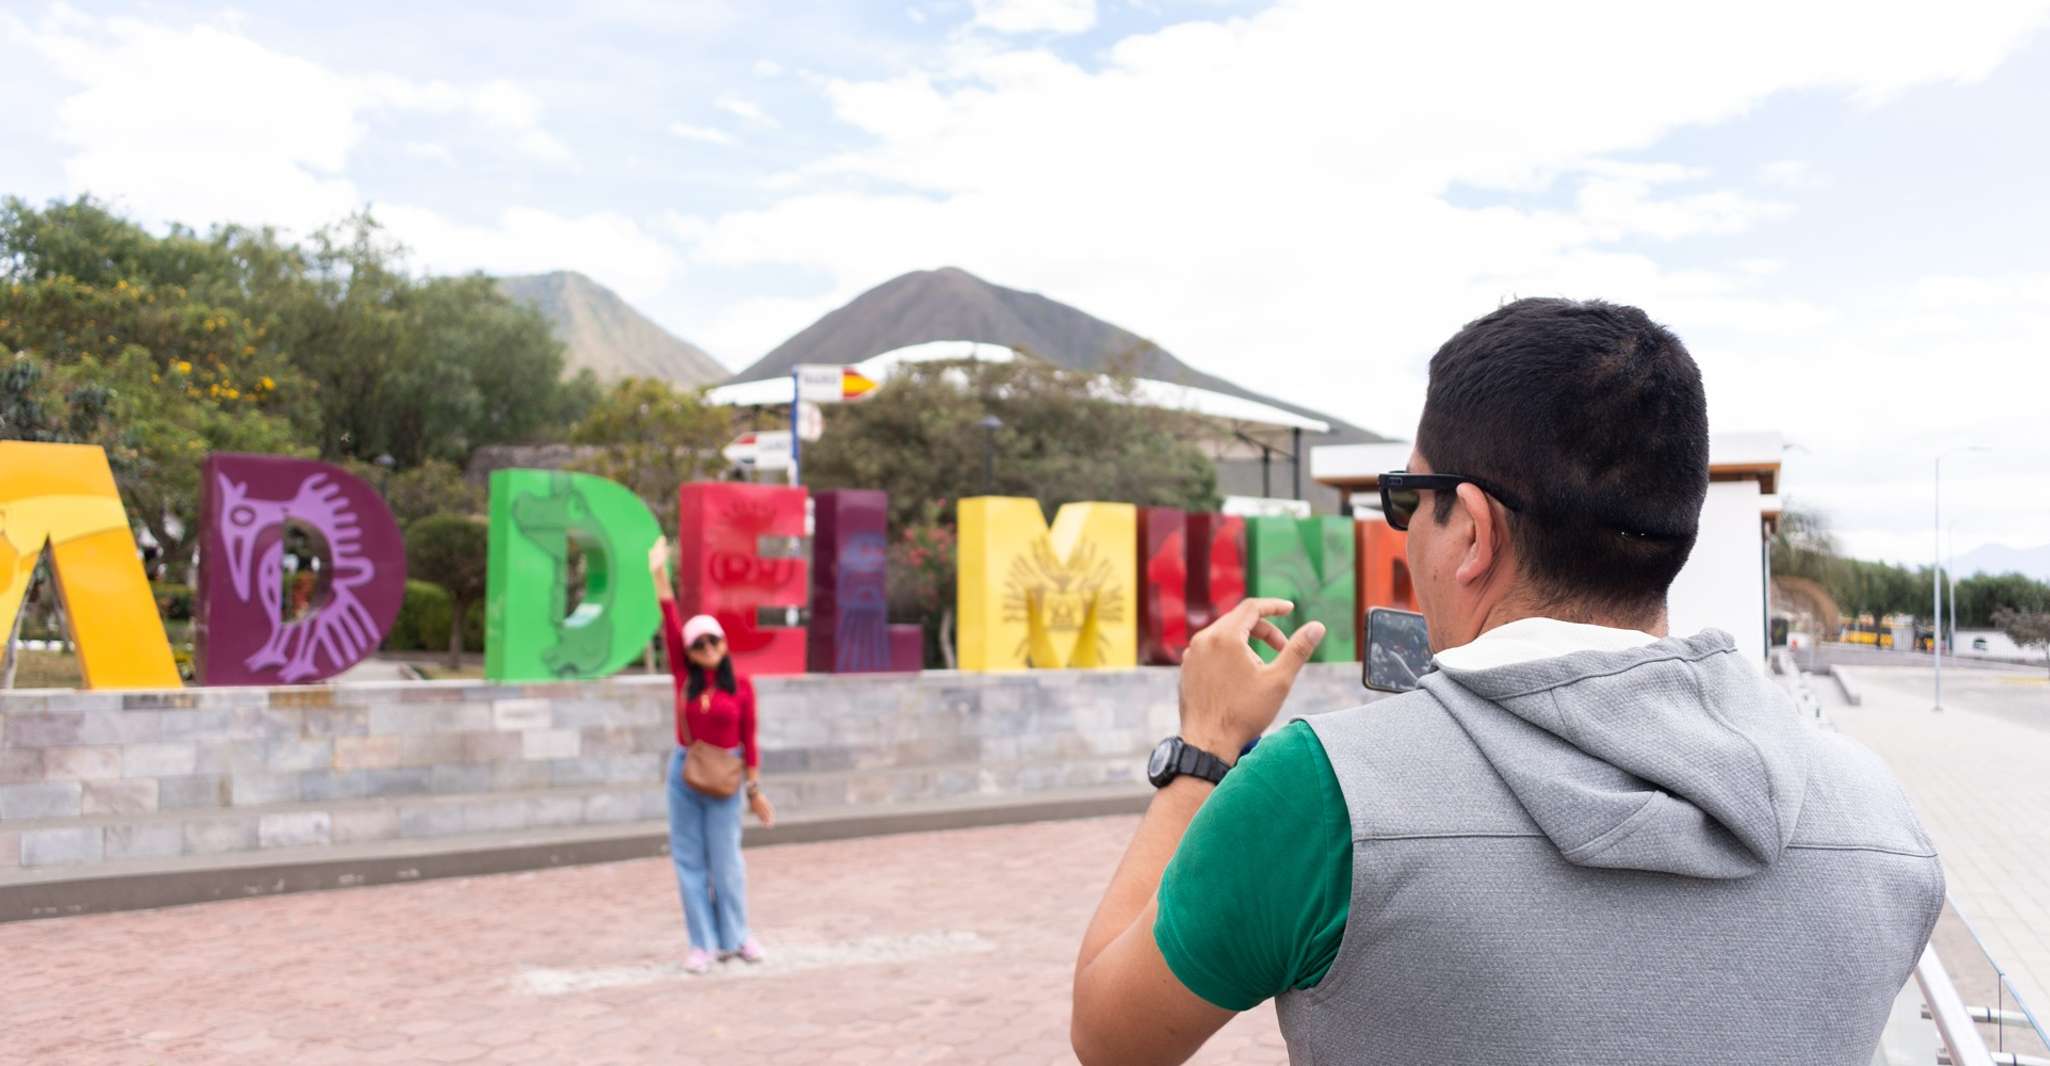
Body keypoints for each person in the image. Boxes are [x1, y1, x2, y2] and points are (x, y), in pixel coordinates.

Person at [1071, 299, 1943, 1065]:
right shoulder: (1880, 822)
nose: (1405, 534)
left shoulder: (1321, 797)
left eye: (1408, 499)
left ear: (1474, 533)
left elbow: (1111, 1038)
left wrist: (1203, 749)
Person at [648, 537, 775, 975]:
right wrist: (658, 573)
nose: (706, 650)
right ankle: (701, 943)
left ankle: (737, 936)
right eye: (697, 644)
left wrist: (755, 789)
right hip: (685, 772)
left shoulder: (741, 687)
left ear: (724, 644)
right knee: (689, 861)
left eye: (712, 642)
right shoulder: (685, 678)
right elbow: (669, 619)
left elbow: (751, 740)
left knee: (727, 862)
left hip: (725, 776)